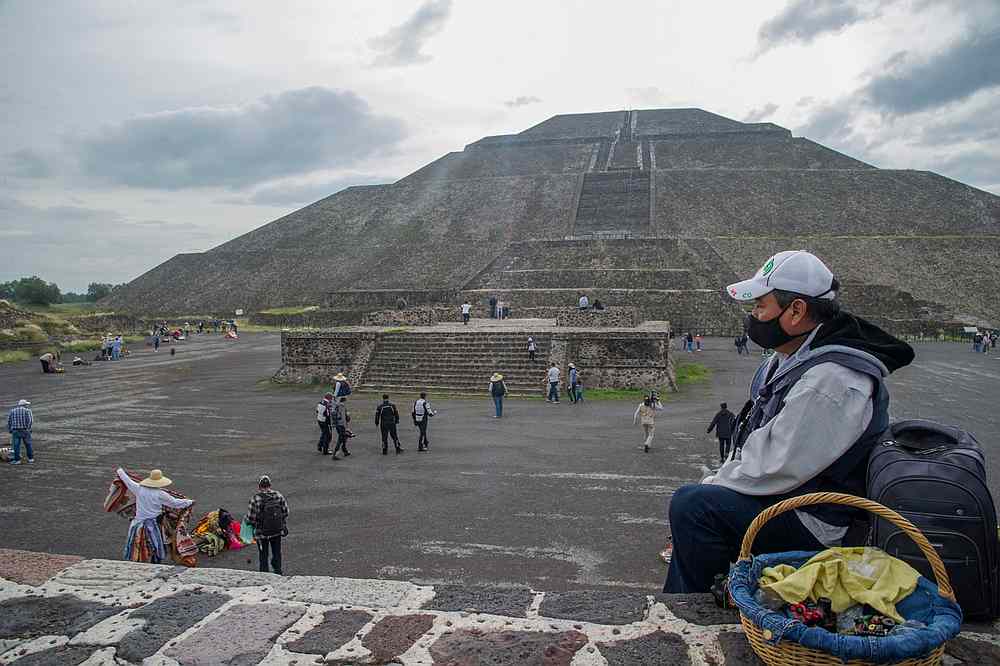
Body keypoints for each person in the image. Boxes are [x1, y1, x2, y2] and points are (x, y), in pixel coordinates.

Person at [663, 250, 914, 593]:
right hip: (793, 498)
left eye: (760, 306)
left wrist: (713, 486)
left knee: (694, 507)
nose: (753, 316)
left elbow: (776, 465)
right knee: (701, 502)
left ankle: (695, 609)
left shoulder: (832, 381)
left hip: (822, 523)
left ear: (796, 310)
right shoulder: (791, 358)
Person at [115, 467, 194, 563]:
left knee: (137, 544)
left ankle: (138, 560)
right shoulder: (161, 494)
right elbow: (175, 503)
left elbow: (127, 480)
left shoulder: (138, 489)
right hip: (154, 524)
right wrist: (189, 502)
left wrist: (120, 471)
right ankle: (156, 560)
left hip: (138, 523)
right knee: (157, 543)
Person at [247, 475, 289, 575]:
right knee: (277, 553)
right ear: (270, 485)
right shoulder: (278, 495)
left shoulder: (255, 499)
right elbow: (286, 511)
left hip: (261, 534)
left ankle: (264, 575)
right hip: (276, 531)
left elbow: (251, 518)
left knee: (263, 555)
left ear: (259, 486)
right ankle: (278, 572)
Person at [7, 399, 33, 465]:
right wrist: (28, 428)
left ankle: (17, 460)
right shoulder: (28, 411)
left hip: (15, 430)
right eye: (27, 404)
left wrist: (10, 430)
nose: (27, 405)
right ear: (24, 405)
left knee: (16, 446)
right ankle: (31, 459)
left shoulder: (12, 411)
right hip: (25, 430)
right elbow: (30, 421)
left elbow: (9, 421)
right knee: (28, 445)